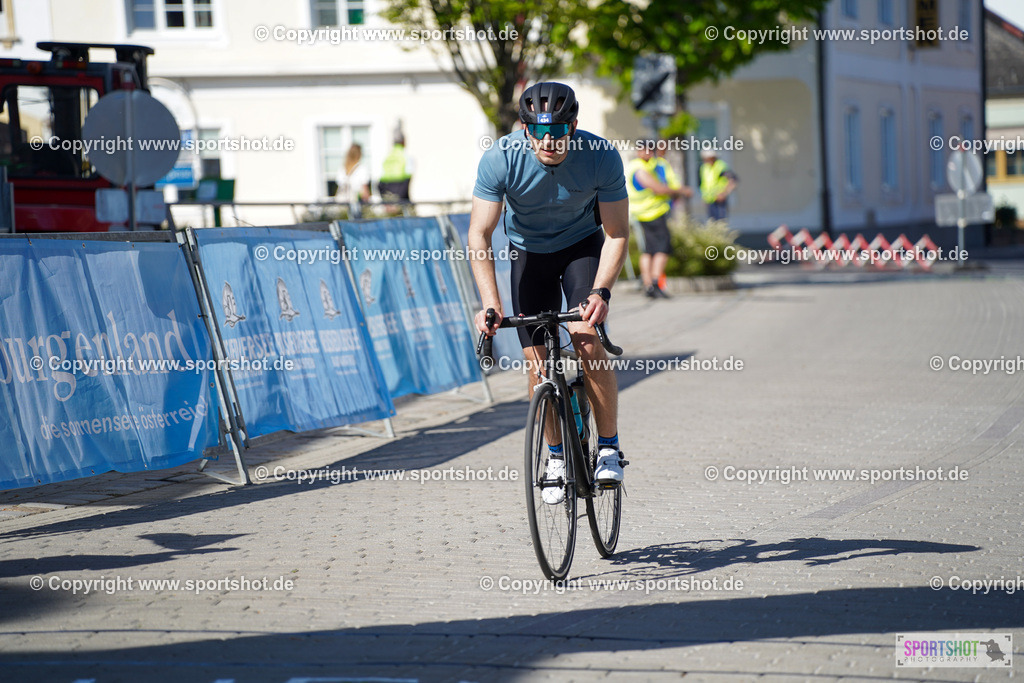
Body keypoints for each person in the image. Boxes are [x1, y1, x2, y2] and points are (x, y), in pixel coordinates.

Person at [469, 81, 630, 502]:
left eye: (559, 134)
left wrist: (601, 292)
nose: (550, 143)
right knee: (537, 362)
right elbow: (479, 234)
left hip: (581, 249)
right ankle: (556, 455)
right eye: (540, 134)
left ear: (573, 126)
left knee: (586, 339)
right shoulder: (500, 159)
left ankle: (609, 448)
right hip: (529, 255)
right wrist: (490, 303)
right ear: (525, 130)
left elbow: (616, 233)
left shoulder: (601, 157)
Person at [626, 139, 691, 298]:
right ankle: (654, 283)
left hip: (646, 213)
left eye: (650, 150)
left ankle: (649, 286)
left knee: (648, 250)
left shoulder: (646, 165)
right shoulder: (639, 168)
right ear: (638, 151)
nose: (648, 153)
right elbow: (658, 188)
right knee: (662, 248)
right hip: (651, 214)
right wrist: (681, 191)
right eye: (645, 150)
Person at [699, 148, 738, 221]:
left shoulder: (720, 166)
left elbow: (733, 181)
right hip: (709, 200)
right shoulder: (704, 167)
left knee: (721, 222)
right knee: (712, 223)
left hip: (719, 200)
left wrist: (724, 193)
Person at [336, 144, 370, 219]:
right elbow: (364, 190)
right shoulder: (362, 168)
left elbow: (340, 184)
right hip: (356, 202)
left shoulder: (342, 168)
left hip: (343, 203)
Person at [378, 132, 414, 204]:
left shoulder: (387, 157)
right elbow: (407, 180)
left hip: (387, 194)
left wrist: (385, 200)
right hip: (401, 194)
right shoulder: (406, 156)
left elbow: (380, 183)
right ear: (403, 142)